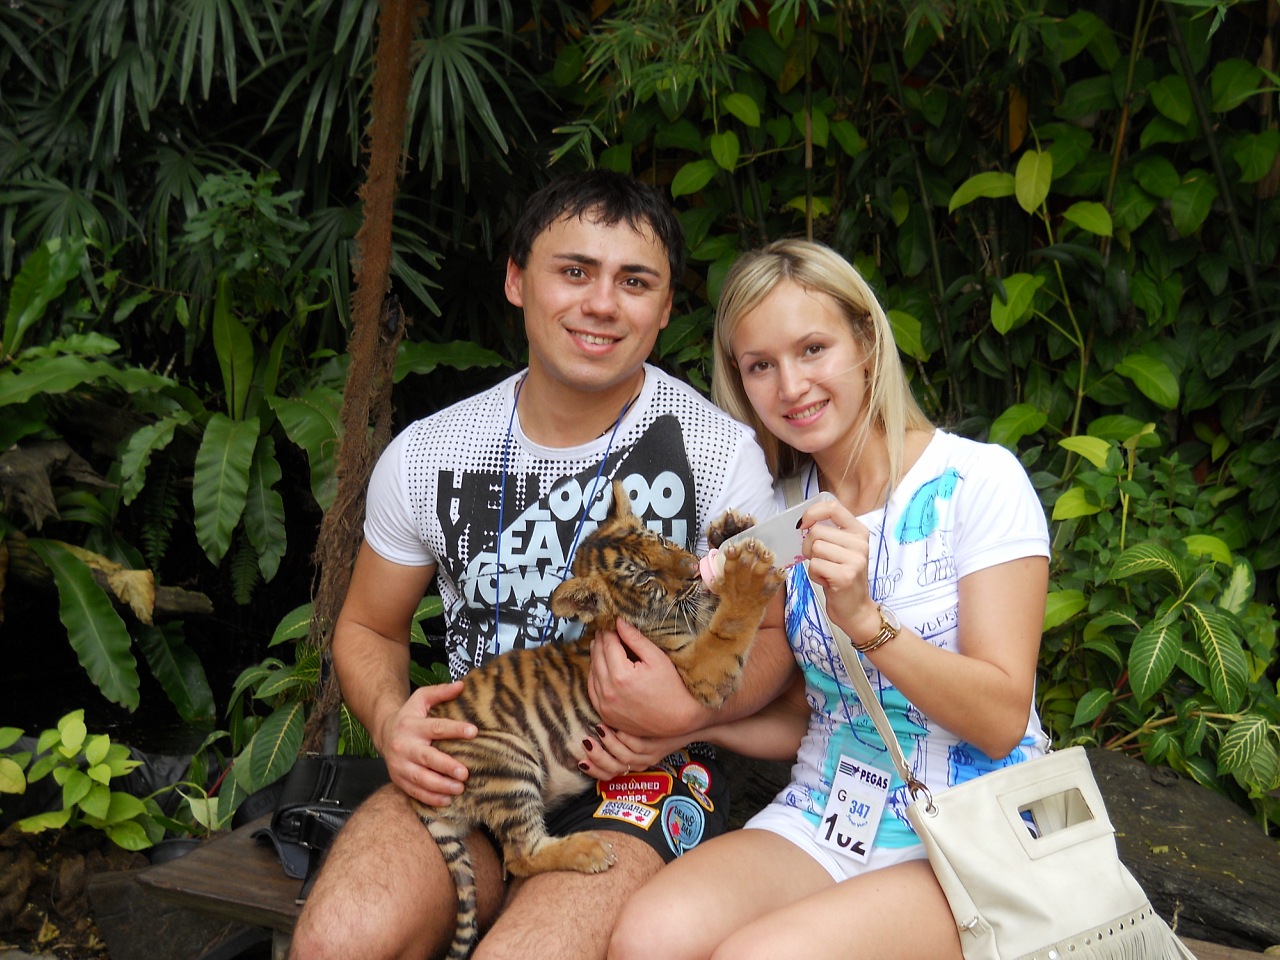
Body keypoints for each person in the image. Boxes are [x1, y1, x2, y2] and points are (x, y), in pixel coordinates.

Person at [287, 170, 794, 960]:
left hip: (645, 775)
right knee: (338, 940)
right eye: (575, 271)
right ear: (518, 280)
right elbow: (368, 628)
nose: (602, 303)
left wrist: (689, 715)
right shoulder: (430, 452)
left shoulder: (717, 451)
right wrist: (392, 725)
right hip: (478, 751)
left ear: (666, 308)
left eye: (635, 282)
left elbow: (774, 638)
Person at [608, 238, 1052, 960]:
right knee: (648, 939)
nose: (791, 386)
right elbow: (811, 717)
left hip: (973, 830)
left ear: (867, 344)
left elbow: (1002, 721)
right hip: (829, 815)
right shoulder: (780, 512)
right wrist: (684, 730)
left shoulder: (978, 482)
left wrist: (867, 622)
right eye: (760, 365)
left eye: (813, 349)